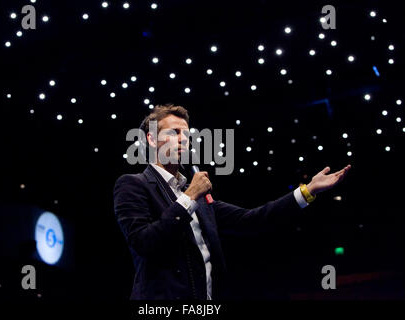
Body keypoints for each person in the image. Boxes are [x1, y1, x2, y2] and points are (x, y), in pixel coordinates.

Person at [113, 104, 351, 300]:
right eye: (174, 133)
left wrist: (308, 191)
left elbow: (253, 219)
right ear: (152, 139)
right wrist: (189, 197)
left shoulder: (194, 192)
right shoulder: (134, 184)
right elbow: (143, 242)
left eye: (186, 135)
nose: (183, 140)